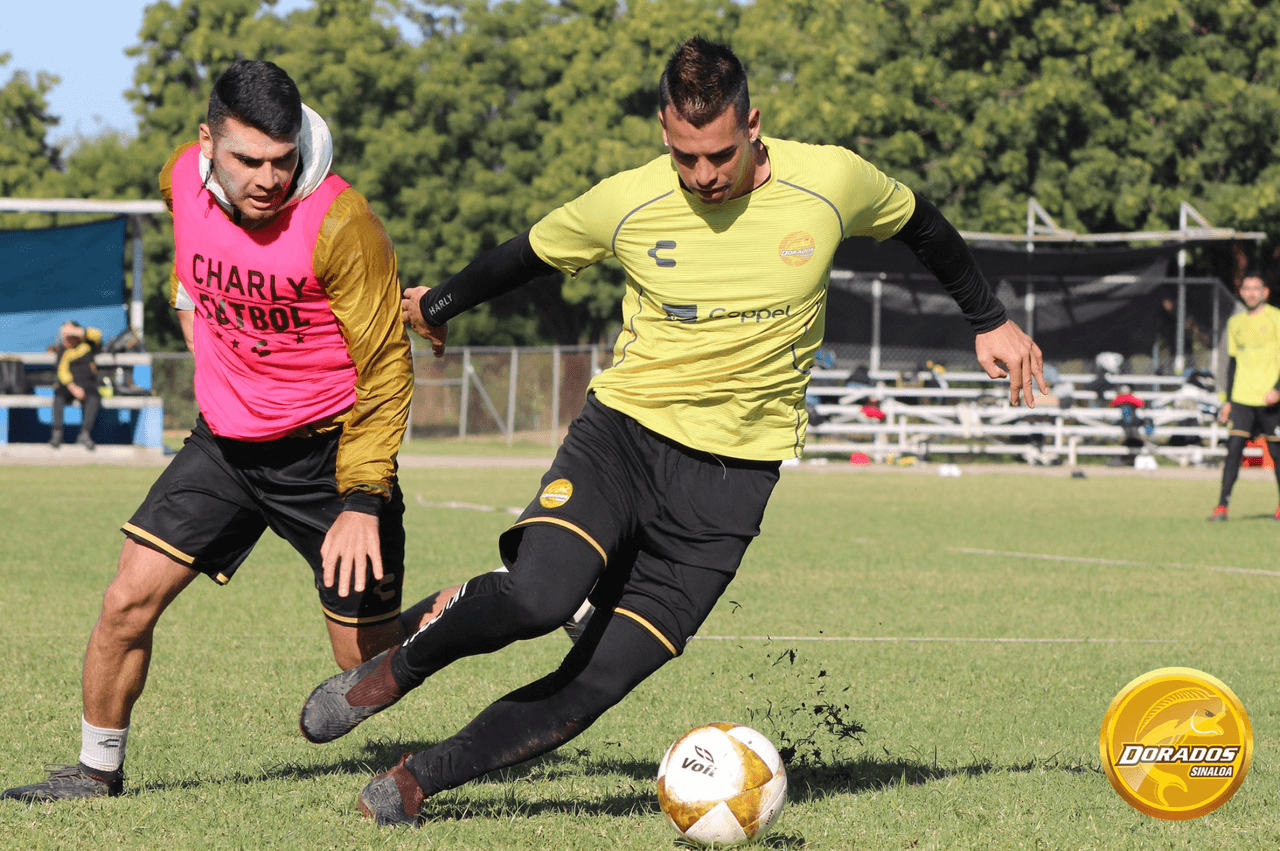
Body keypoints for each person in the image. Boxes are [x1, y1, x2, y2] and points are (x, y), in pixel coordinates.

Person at [297, 36, 1045, 826]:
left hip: (730, 486)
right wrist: (436, 306)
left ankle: (418, 780)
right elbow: (528, 256)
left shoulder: (830, 181)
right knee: (540, 597)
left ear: (753, 124)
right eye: (686, 157)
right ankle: (393, 672)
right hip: (624, 438)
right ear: (664, 133)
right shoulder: (628, 200)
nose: (704, 176)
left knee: (595, 682)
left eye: (720, 154)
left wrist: (988, 319)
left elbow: (921, 224)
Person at [2, 59, 423, 802]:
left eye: (282, 160)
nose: (268, 178)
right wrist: (192, 312)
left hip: (327, 456)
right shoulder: (178, 179)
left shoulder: (342, 222)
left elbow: (386, 366)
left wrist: (361, 497)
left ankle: (504, 596)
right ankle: (95, 770)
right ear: (208, 144)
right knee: (125, 599)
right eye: (248, 160)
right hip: (224, 448)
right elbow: (195, 268)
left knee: (371, 660)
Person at [1208, 271, 1280, 520]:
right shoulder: (1235, 322)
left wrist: (1278, 389)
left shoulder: (1276, 318)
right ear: (1241, 292)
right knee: (1233, 449)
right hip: (1241, 398)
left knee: (1277, 454)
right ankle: (1222, 507)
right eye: (1246, 289)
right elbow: (1233, 364)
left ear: (1265, 292)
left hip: (1271, 400)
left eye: (1255, 288)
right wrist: (1227, 400)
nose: (1251, 293)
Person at [49, 321, 103, 449]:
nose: (66, 338)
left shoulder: (87, 346)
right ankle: (57, 432)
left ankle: (84, 434)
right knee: (58, 397)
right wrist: (73, 388)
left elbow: (97, 335)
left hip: (87, 384)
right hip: (70, 386)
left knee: (94, 398)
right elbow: (62, 372)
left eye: (69, 334)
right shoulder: (62, 351)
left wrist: (78, 331)